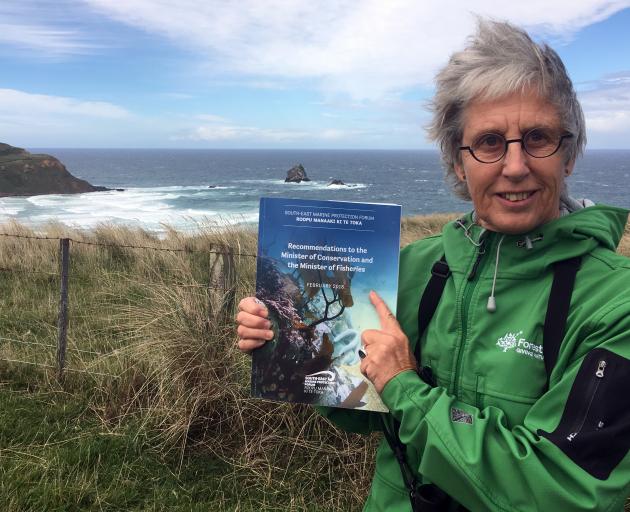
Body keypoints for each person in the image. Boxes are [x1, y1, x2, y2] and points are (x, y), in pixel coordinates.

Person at [236, 19, 630, 512]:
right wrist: (286, 343)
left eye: (537, 137)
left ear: (567, 155)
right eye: (488, 142)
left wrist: (405, 387)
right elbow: (366, 410)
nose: (514, 165)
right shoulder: (417, 267)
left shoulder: (618, 305)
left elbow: (566, 489)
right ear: (458, 161)